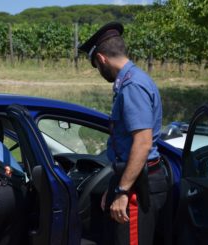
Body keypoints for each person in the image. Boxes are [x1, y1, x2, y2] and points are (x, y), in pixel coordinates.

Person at [78, 22, 169, 245]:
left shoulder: (132, 87)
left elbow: (142, 143)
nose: (99, 72)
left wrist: (121, 192)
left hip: (138, 185)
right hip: (132, 179)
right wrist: (115, 188)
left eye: (96, 66)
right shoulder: (131, 81)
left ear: (101, 59)